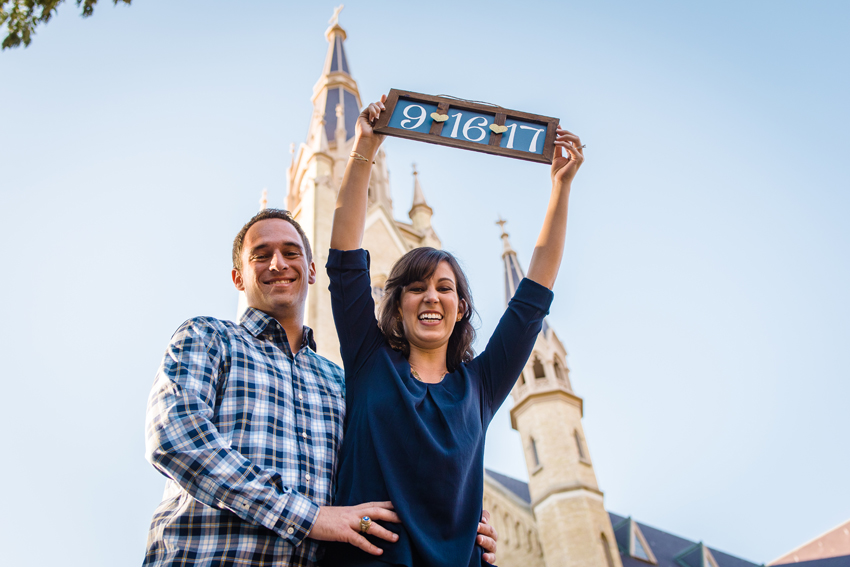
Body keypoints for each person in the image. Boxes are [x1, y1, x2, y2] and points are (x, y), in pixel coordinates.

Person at [143, 209, 499, 566]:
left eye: (291, 252)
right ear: (239, 277)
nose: (278, 263)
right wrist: (310, 517)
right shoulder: (208, 337)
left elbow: (386, 470)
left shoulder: (340, 383)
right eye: (261, 255)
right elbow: (174, 438)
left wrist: (456, 524)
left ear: (312, 270)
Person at [324, 96, 584, 567]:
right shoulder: (369, 362)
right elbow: (344, 260)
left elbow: (533, 295)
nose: (430, 297)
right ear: (396, 302)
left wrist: (561, 189)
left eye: (445, 288)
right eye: (416, 287)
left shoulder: (479, 386)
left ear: (461, 307)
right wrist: (365, 146)